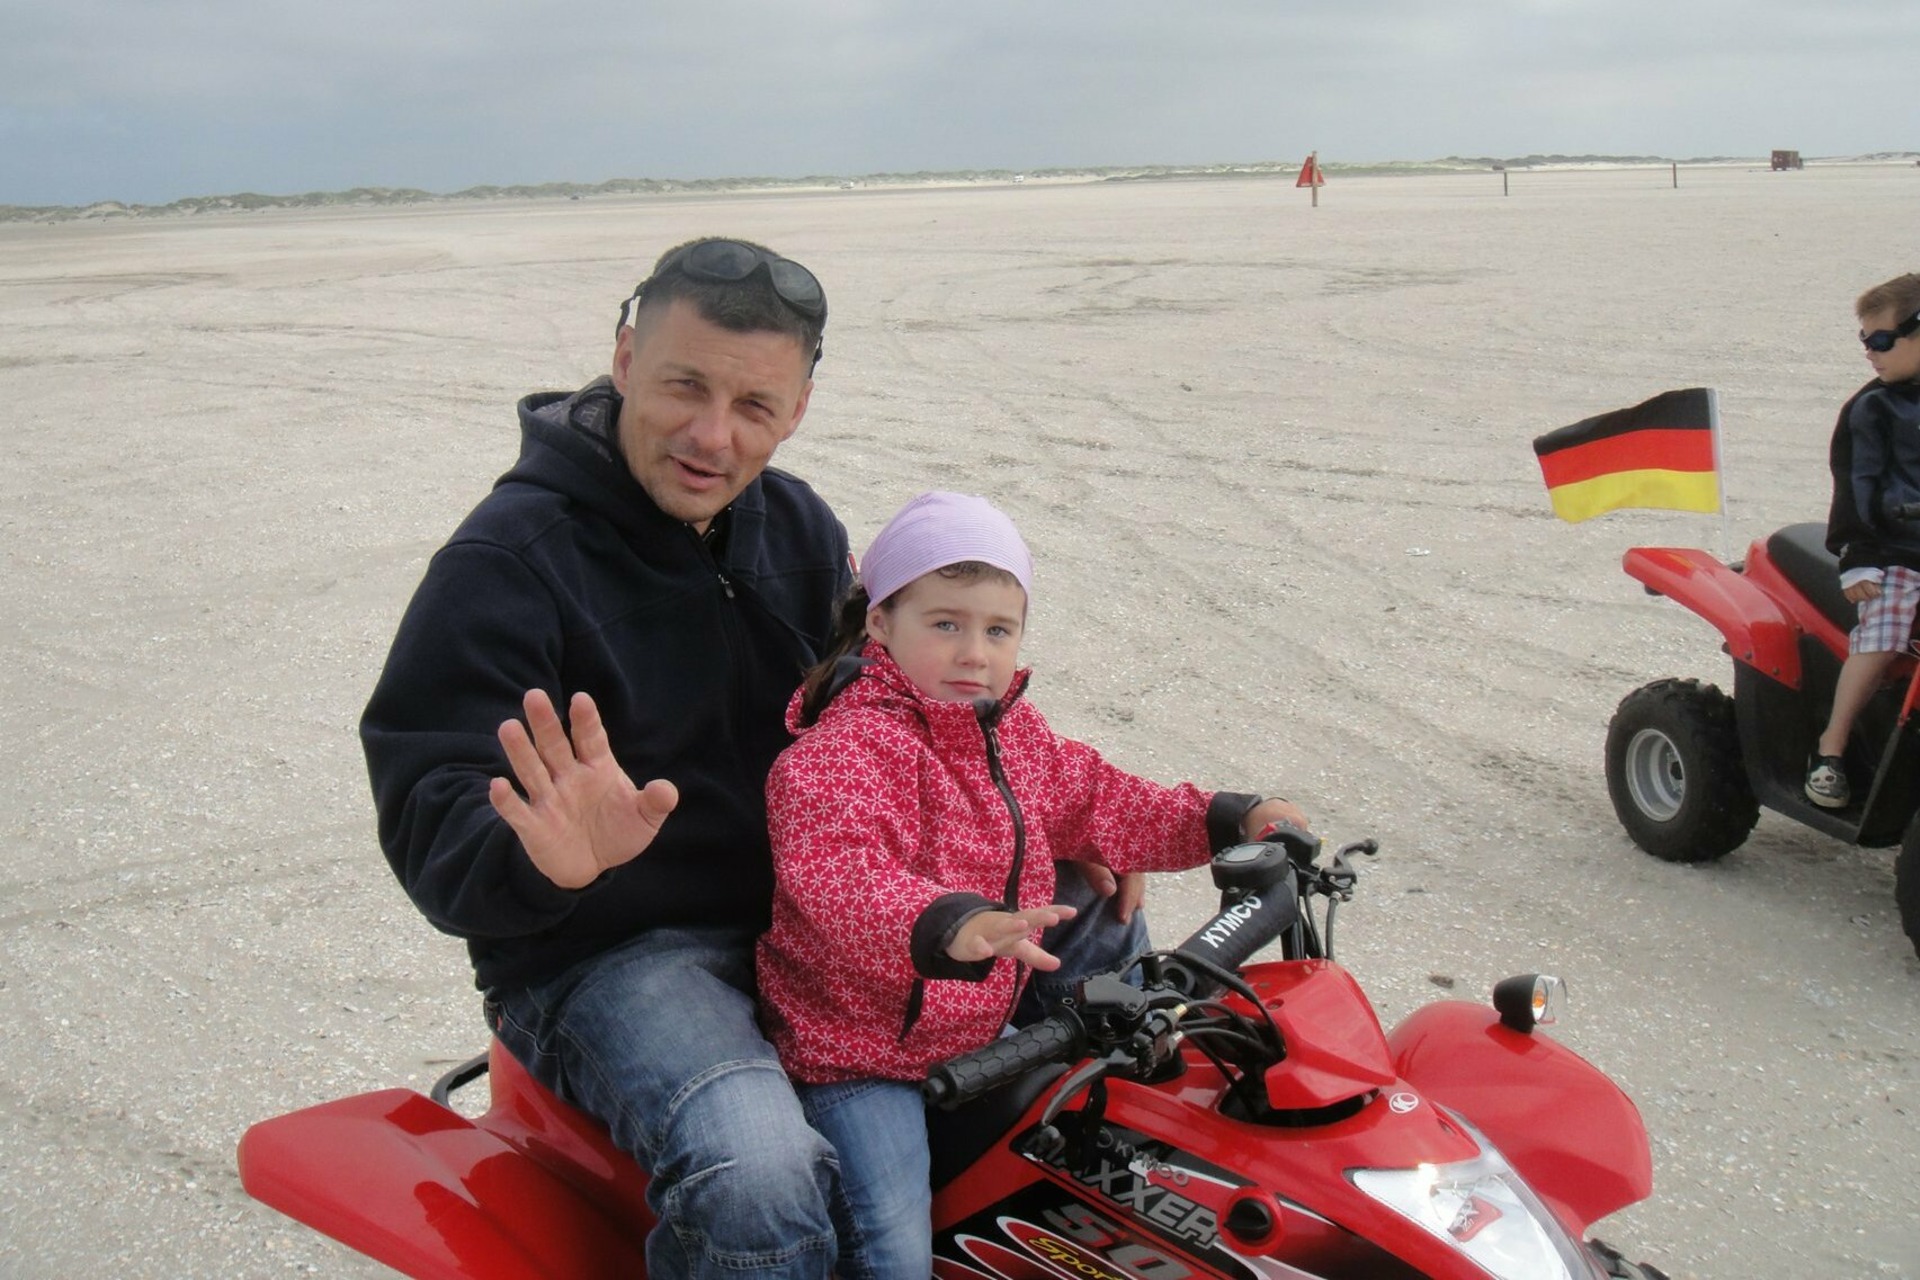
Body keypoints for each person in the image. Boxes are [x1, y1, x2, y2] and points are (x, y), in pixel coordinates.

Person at [360, 239, 1153, 1278]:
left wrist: (1046, 821)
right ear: (625, 357)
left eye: (755, 406)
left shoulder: (795, 525)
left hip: (828, 898)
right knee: (758, 1176)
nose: (712, 435)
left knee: (1117, 965)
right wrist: (544, 857)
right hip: (613, 948)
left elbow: (898, 704)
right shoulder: (505, 566)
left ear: (799, 410)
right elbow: (430, 801)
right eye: (685, 385)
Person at [755, 491, 1308, 1278]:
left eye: (997, 629)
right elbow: (843, 881)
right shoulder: (837, 755)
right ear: (880, 622)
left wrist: (1230, 817)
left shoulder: (1009, 730)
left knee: (1094, 1169)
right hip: (855, 1057)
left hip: (977, 1034)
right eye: (944, 624)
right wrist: (951, 922)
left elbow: (1101, 801)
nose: (973, 653)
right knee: (888, 1247)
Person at [1810, 272, 1920, 809]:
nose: (1870, 353)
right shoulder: (1871, 409)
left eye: (1880, 341)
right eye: (1866, 341)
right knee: (1883, 633)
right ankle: (1832, 747)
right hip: (1895, 552)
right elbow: (1854, 485)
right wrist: (1857, 556)